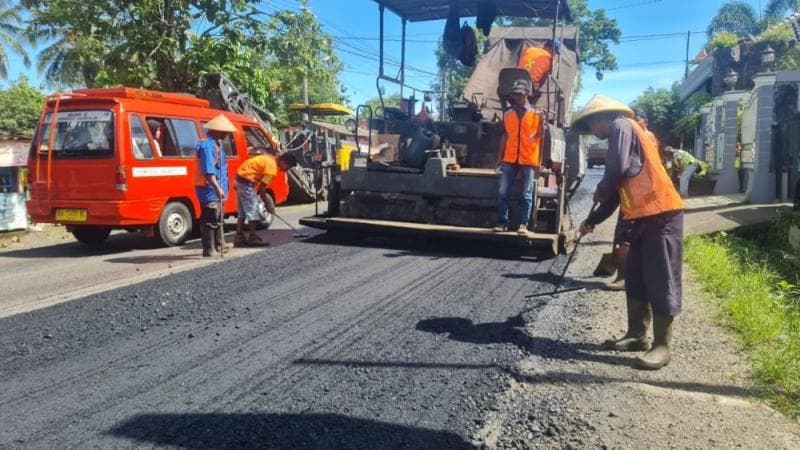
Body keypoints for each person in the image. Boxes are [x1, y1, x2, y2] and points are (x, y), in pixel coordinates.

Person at [573, 94, 684, 370]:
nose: (592, 131)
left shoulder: (622, 126)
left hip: (661, 214)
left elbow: (616, 169)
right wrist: (593, 220)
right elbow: (616, 191)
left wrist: (601, 188)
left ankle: (662, 346)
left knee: (660, 279)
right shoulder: (622, 133)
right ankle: (637, 335)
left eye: (592, 124)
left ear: (603, 117)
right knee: (635, 276)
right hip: (640, 218)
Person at [493, 79, 543, 235]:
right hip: (510, 158)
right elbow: (505, 136)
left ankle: (523, 224)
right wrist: (499, 157)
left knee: (526, 193)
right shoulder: (508, 114)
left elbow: (541, 135)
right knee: (503, 192)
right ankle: (502, 222)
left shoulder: (536, 113)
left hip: (528, 159)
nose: (517, 97)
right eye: (514, 94)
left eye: (520, 94)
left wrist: (539, 162)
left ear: (527, 93)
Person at [234, 150, 298, 247]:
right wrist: (268, 205)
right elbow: (262, 188)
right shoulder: (272, 170)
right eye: (288, 167)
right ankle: (252, 237)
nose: (286, 170)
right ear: (283, 162)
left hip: (239, 179)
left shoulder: (270, 158)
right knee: (254, 210)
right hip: (247, 182)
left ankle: (239, 237)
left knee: (242, 210)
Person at [195, 114, 235, 257]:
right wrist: (217, 188)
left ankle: (220, 245)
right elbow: (208, 171)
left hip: (217, 188)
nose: (227, 134)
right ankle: (208, 250)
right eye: (225, 132)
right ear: (217, 130)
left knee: (218, 217)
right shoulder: (207, 146)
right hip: (209, 189)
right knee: (210, 218)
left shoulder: (217, 145)